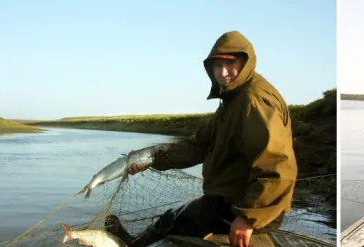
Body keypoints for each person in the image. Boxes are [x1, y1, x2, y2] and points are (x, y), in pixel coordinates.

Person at [104, 31, 298, 247]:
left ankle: (133, 245)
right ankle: (135, 244)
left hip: (241, 206)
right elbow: (199, 145)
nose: (223, 72)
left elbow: (278, 167)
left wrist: (248, 217)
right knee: (173, 218)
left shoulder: (253, 101)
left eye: (230, 63)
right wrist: (152, 159)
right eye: (217, 65)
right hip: (228, 199)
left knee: (175, 220)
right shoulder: (233, 99)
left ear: (246, 61)